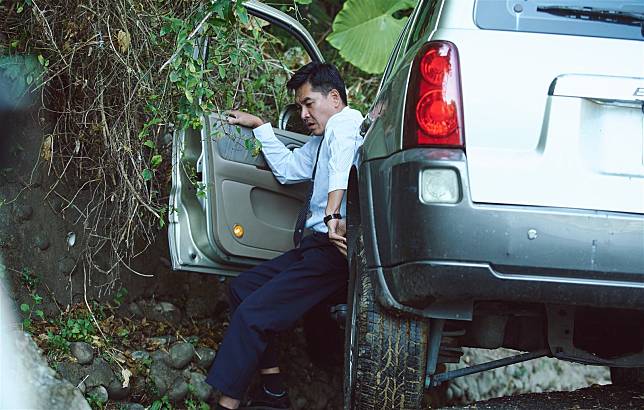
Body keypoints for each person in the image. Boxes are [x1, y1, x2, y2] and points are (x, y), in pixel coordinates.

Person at [206, 62, 363, 410]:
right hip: (314, 247)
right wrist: (262, 128)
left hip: (332, 250)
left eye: (309, 103)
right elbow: (290, 170)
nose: (304, 113)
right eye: (300, 106)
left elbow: (341, 165)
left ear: (334, 98)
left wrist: (334, 213)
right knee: (242, 288)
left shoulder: (346, 122)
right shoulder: (321, 140)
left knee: (253, 315)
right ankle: (274, 389)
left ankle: (226, 404)